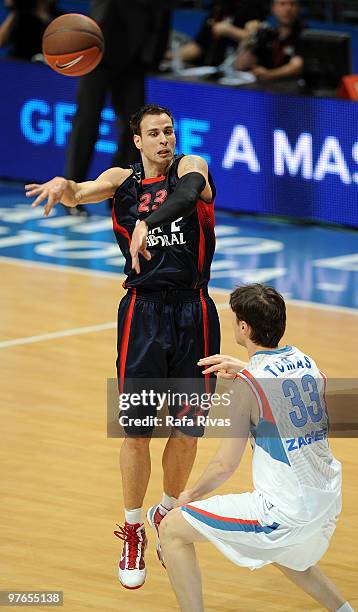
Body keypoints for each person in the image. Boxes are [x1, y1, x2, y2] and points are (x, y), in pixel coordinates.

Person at [25, 103, 221, 590]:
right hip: (143, 314)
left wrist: (150, 224)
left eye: (169, 131)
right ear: (137, 140)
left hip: (194, 310)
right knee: (136, 431)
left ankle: (168, 513)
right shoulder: (121, 181)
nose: (164, 140)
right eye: (154, 133)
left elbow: (192, 192)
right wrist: (63, 187)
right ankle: (132, 526)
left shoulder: (192, 168)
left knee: (189, 429)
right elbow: (78, 193)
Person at [159, 283, 352, 612]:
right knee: (284, 551)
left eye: (235, 319)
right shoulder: (307, 362)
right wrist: (249, 370)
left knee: (173, 529)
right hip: (327, 502)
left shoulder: (249, 386)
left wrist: (188, 496)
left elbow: (224, 465)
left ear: (244, 327)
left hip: (287, 510)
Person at [64, 0, 173, 216]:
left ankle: (120, 195)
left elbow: (162, 11)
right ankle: (72, 194)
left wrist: (152, 56)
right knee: (87, 122)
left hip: (134, 59)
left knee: (135, 129)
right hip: (98, 53)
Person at [170, 0, 267, 68]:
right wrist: (168, 55)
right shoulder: (218, 8)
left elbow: (255, 38)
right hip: (208, 70)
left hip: (235, 72)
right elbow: (197, 47)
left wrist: (230, 31)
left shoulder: (252, 7)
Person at [235, 0, 304, 82]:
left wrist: (269, 74)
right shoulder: (266, 33)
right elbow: (241, 65)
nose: (288, 9)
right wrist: (251, 37)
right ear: (273, 8)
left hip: (293, 91)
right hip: (263, 90)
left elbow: (296, 67)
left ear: (299, 8)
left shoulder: (305, 35)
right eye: (282, 4)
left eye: (293, 4)